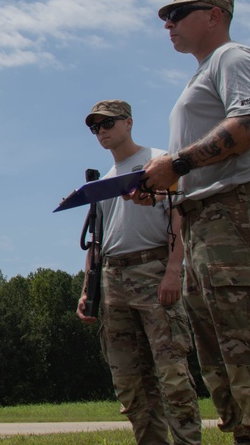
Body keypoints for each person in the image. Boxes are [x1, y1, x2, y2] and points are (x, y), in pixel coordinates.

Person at [138, 0, 250, 445]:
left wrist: (178, 164)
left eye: (177, 13)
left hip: (237, 219)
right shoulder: (200, 76)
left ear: (214, 15)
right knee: (222, 352)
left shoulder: (234, 57)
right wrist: (165, 186)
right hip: (205, 223)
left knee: (249, 347)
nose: (167, 24)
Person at [76, 100, 201, 445]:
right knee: (129, 382)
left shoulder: (158, 162)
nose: (101, 131)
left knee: (172, 373)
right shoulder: (103, 182)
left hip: (153, 270)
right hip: (113, 280)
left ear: (128, 122)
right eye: (95, 127)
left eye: (107, 123)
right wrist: (88, 289)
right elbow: (97, 241)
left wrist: (174, 270)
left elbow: (180, 217)